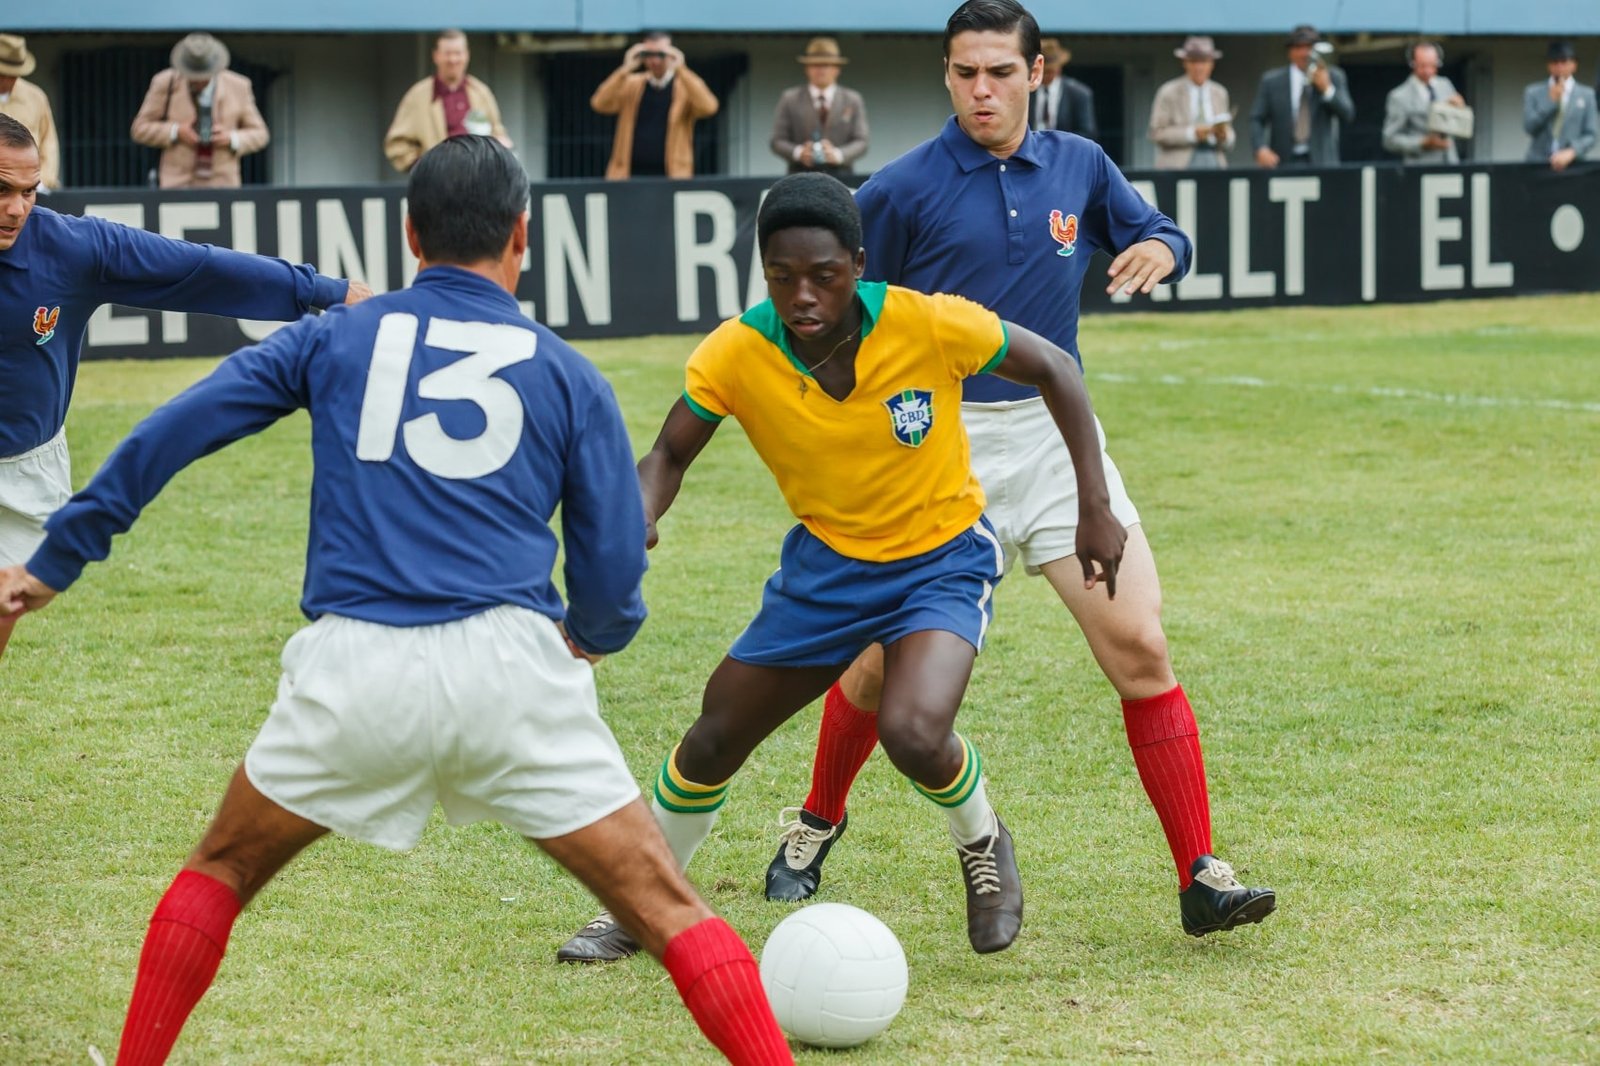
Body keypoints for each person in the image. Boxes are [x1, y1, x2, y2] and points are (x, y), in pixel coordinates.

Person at [0, 136, 793, 1066]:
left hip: (353, 672)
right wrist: (591, 634)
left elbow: (175, 428)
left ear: (408, 232)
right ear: (524, 239)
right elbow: (614, 569)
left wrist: (63, 554)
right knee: (667, 910)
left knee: (219, 870)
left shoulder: (332, 337)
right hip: (513, 675)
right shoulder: (570, 373)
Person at [759, 0, 1275, 940]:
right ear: (947, 76)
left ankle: (1202, 873)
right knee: (875, 672)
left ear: (1037, 73)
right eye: (965, 73)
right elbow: (832, 306)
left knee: (1141, 648)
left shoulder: (1081, 164)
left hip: (1054, 440)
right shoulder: (904, 188)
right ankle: (816, 820)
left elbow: (1158, 228)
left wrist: (1162, 246)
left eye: (1000, 71)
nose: (981, 90)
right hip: (936, 451)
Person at [554, 171, 1127, 963]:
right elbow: (668, 453)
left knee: (914, 733)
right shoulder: (738, 349)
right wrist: (637, 513)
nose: (803, 297)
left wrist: (1093, 504)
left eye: (823, 276)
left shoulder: (927, 323)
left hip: (940, 561)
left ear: (858, 264)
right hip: (826, 571)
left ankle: (984, 841)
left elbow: (1056, 367)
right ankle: (643, 906)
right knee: (714, 737)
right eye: (782, 277)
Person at [0, 113, 369, 663]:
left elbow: (198, 268)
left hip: (22, 474)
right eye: (2, 190)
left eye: (29, 192)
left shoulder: (72, 248)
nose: (17, 209)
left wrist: (325, 290)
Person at [130, 34, 269, 189]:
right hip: (176, 183)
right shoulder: (165, 83)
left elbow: (260, 134)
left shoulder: (238, 86)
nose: (198, 81)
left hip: (223, 184)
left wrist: (231, 138)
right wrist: (176, 131)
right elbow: (139, 129)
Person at [591, 31, 719, 180]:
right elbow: (599, 103)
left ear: (671, 54)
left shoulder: (683, 88)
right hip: (630, 175)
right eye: (649, 54)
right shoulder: (632, 84)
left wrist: (681, 69)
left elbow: (709, 107)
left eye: (661, 54)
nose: (655, 61)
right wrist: (625, 69)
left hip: (672, 176)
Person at [384, 29, 512, 174]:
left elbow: (497, 133)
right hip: (436, 183)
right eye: (447, 54)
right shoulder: (418, 96)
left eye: (458, 53)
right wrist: (425, 167)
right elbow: (396, 144)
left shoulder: (481, 93)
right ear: (436, 56)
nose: (453, 60)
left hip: (478, 180)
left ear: (467, 55)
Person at [1249, 24, 1354, 168]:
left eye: (1309, 47)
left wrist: (1327, 89)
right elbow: (1256, 119)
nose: (1304, 53)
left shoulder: (1333, 76)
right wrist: (1260, 148)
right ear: (1290, 51)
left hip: (1322, 161)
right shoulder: (1271, 81)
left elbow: (1347, 114)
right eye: (1298, 48)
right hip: (1283, 161)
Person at [769, 37, 870, 177]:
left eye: (827, 65)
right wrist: (799, 152)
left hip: (841, 177)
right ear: (807, 68)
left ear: (837, 69)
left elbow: (862, 141)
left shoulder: (852, 99)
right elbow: (777, 140)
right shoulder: (790, 98)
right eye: (815, 65)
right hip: (800, 177)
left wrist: (838, 154)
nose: (821, 70)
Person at [1149, 36, 1235, 170]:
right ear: (1185, 62)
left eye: (1204, 61)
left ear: (1212, 63)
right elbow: (1156, 132)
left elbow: (1229, 132)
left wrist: (1224, 136)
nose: (1199, 67)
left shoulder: (1220, 93)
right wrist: (1192, 133)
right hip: (1179, 164)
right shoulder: (1169, 91)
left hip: (1214, 160)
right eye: (1194, 61)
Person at [1382, 42, 1466, 164]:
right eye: (1423, 66)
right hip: (1420, 166)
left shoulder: (1445, 85)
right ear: (1412, 63)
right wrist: (1422, 143)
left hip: (1450, 162)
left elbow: (1459, 128)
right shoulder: (1399, 96)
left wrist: (1460, 111)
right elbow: (1389, 140)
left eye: (1432, 66)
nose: (1428, 71)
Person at [1524, 39, 1596, 172]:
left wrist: (1572, 151)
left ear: (1574, 65)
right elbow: (1529, 127)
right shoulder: (1533, 92)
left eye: (1564, 62)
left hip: (1572, 165)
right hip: (1539, 164)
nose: (1559, 67)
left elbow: (1591, 135)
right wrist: (1549, 102)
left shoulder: (1587, 95)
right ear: (1549, 65)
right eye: (1554, 62)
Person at [0, 35, 60, 190]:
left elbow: (49, 142)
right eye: (2, 74)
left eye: (14, 74)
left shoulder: (35, 97)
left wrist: (44, 181)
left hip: (33, 187)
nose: (8, 81)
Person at [1032, 38, 1096, 141]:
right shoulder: (1027, 90)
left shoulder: (1078, 93)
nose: (1045, 75)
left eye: (1050, 71)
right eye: (1043, 71)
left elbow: (1087, 132)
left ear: (1059, 68)